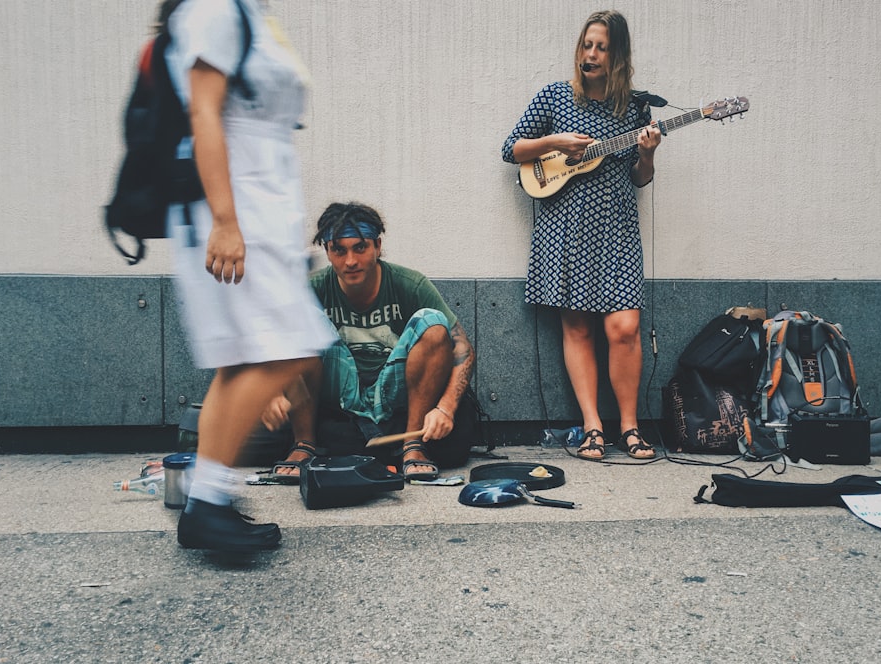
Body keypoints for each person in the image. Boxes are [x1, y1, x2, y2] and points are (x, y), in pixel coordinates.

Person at [163, 0, 337, 553]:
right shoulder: (213, 7)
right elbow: (204, 112)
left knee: (242, 358)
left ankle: (205, 504)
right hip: (236, 205)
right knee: (293, 349)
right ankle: (208, 499)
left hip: (260, 206)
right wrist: (225, 220)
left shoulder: (250, 12)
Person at [501, 10, 661, 461]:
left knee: (624, 326)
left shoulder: (633, 108)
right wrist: (556, 143)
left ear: (618, 56)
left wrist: (647, 156)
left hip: (616, 225)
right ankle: (593, 426)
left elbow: (640, 178)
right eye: (587, 45)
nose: (590, 55)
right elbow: (511, 148)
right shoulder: (554, 97)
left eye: (602, 47)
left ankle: (630, 427)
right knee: (577, 326)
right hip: (565, 222)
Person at [261, 202, 476, 481]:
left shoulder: (409, 284)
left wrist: (445, 408)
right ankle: (304, 443)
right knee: (299, 319)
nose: (350, 261)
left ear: (377, 246)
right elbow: (271, 342)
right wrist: (272, 392)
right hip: (338, 390)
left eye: (360, 248)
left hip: (392, 389)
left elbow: (464, 350)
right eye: (339, 250)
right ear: (327, 251)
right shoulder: (314, 288)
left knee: (433, 323)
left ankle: (413, 446)